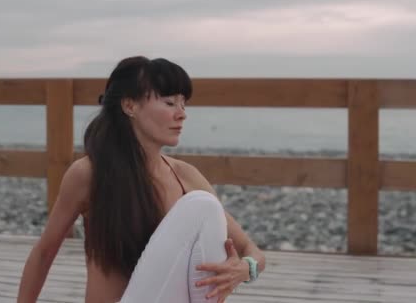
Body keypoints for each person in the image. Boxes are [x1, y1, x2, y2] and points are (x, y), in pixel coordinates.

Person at [17, 56, 266, 303]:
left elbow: (250, 249)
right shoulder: (90, 173)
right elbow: (44, 253)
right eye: (169, 103)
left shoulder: (186, 176)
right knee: (203, 204)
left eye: (183, 103)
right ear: (130, 106)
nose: (181, 114)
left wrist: (245, 268)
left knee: (204, 206)